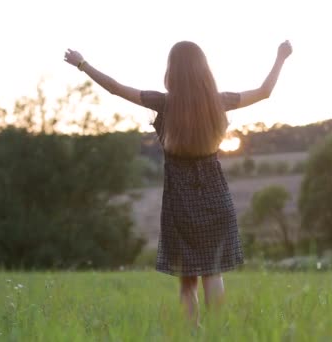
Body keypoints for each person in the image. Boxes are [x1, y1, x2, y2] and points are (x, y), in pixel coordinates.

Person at [64, 40, 292, 324]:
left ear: (172, 71)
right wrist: (281, 57)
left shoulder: (163, 103)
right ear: (204, 71)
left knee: (187, 281)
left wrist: (83, 64)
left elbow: (115, 87)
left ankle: (192, 334)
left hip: (179, 204)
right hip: (216, 199)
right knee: (213, 272)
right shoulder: (219, 102)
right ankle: (219, 334)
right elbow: (264, 92)